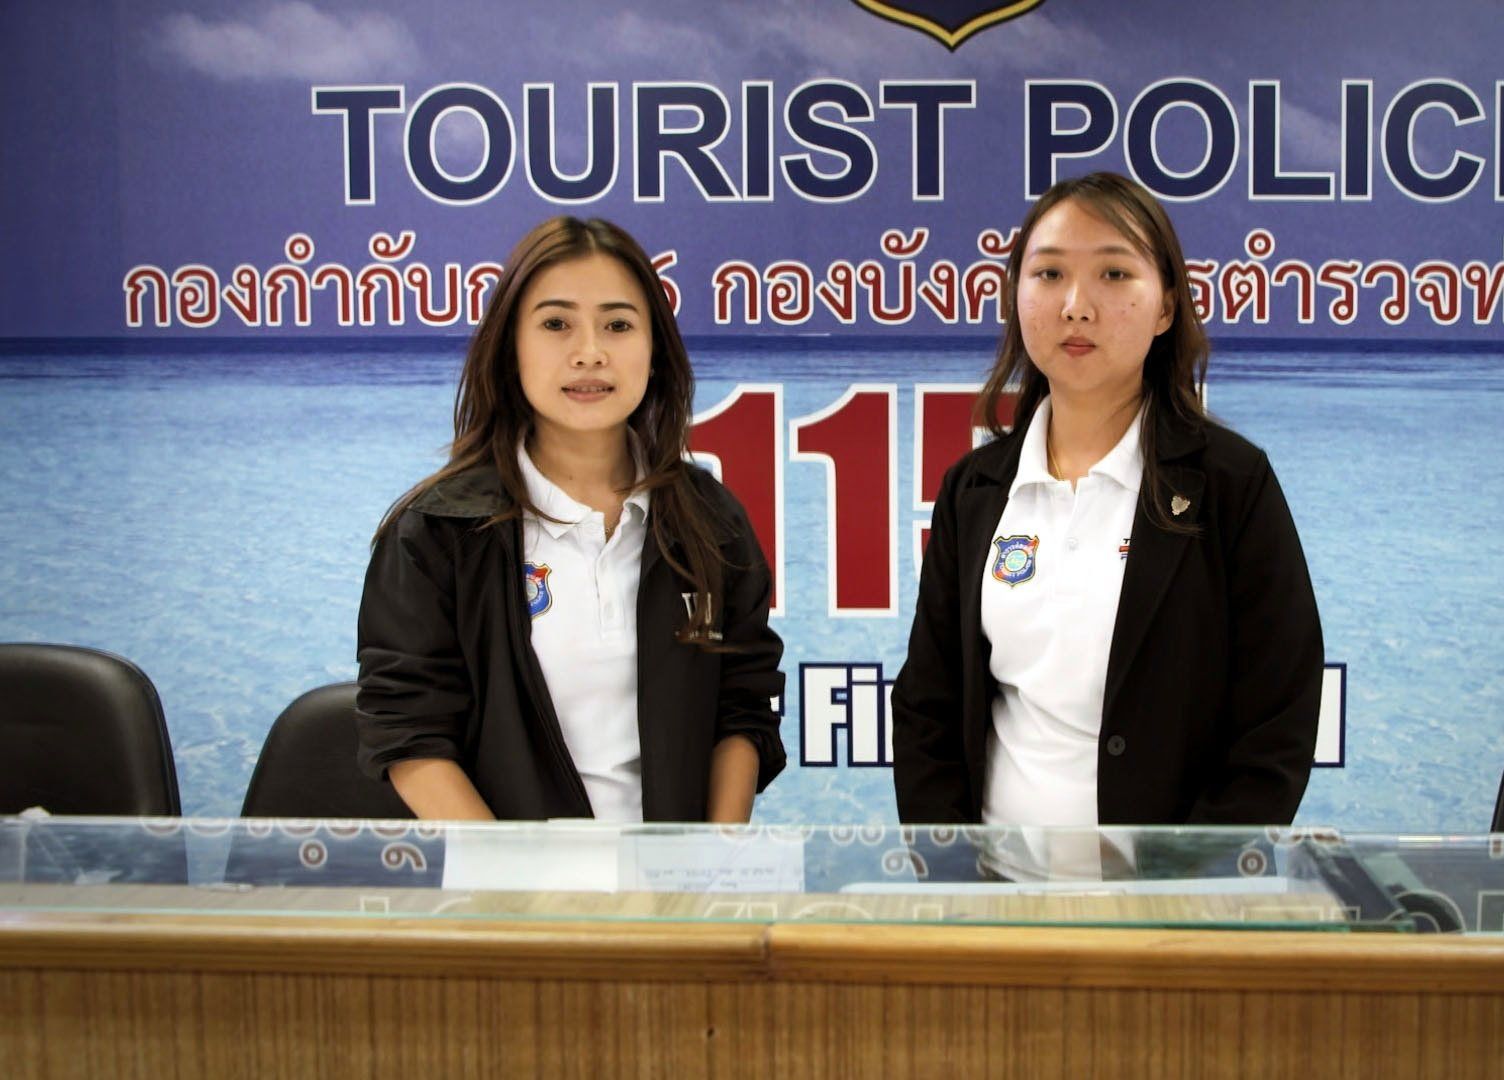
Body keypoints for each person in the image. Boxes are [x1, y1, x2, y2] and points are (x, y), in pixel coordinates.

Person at [890, 173, 1323, 830]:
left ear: (1167, 307)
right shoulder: (973, 490)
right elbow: (928, 708)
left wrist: (1186, 891)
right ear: (1016, 296)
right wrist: (951, 872)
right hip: (995, 902)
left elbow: (1275, 723)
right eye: (1049, 274)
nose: (1076, 305)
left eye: (1115, 274)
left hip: (1167, 912)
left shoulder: (1231, 483)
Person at [356, 216, 784, 822]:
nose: (590, 353)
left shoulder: (710, 522)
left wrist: (709, 868)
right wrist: (520, 890)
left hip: (675, 898)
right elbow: (409, 733)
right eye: (557, 324)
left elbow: (742, 708)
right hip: (507, 900)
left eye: (618, 324)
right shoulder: (437, 532)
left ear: (654, 349)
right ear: (511, 349)